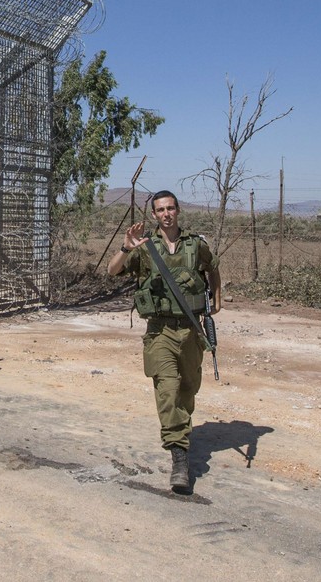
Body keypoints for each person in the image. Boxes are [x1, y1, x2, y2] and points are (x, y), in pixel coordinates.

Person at [106, 189, 222, 494]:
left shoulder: (196, 245)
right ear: (154, 215)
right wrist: (124, 246)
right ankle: (179, 457)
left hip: (192, 330)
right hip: (160, 332)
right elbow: (112, 270)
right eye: (160, 210)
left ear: (178, 211)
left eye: (171, 208)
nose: (166, 214)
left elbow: (212, 268)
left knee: (188, 388)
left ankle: (179, 430)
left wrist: (217, 299)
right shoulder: (146, 248)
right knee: (167, 390)